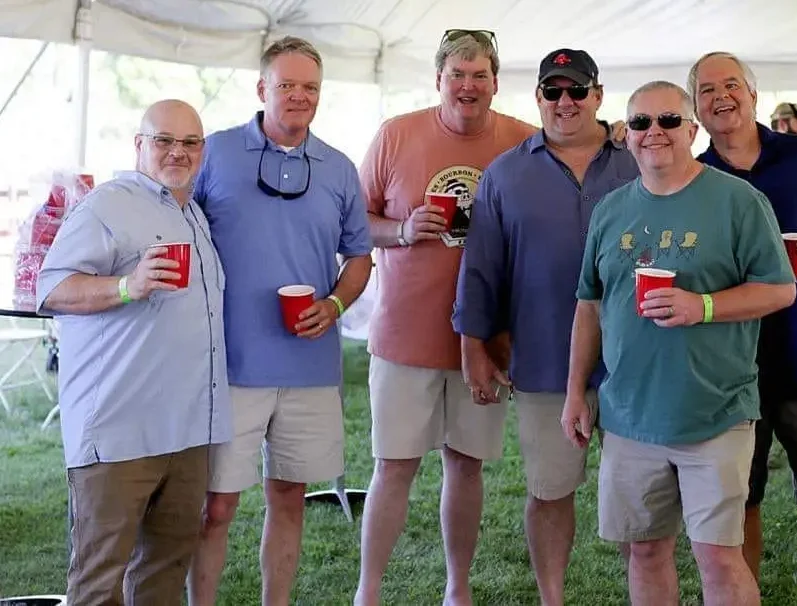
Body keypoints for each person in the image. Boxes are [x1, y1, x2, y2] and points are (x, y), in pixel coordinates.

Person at [563, 79, 796, 606]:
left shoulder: (738, 201)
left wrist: (703, 306)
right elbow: (589, 306)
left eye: (669, 121)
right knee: (644, 551)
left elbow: (780, 289)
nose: (655, 133)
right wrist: (577, 391)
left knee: (717, 556)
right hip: (629, 417)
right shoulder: (611, 210)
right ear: (626, 135)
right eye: (641, 122)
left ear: (692, 129)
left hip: (714, 410)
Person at [187, 37, 374, 606]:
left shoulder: (340, 168)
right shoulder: (213, 153)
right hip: (230, 362)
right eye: (286, 85)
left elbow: (360, 257)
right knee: (216, 504)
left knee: (288, 494)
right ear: (261, 89)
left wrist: (336, 304)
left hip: (309, 367)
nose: (299, 96)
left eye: (310, 87)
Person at [353, 29, 537, 606]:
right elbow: (356, 223)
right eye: (457, 74)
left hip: (483, 339)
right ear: (439, 80)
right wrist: (402, 231)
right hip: (404, 336)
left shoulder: (524, 142)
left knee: (466, 467)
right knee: (394, 467)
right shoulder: (395, 135)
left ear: (495, 82)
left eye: (479, 75)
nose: (468, 86)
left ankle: (458, 588)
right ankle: (369, 591)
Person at [452, 47, 638, 604]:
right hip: (542, 359)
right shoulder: (506, 173)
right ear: (536, 98)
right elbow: (481, 267)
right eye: (552, 92)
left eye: (577, 90)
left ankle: (643, 590)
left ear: (598, 96)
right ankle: (551, 597)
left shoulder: (640, 157)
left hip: (637, 363)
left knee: (638, 496)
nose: (565, 102)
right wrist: (474, 345)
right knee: (550, 490)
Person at [37, 99, 231, 605]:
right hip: (119, 432)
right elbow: (52, 288)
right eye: (164, 140)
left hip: (185, 432)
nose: (177, 152)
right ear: (140, 145)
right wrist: (127, 286)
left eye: (190, 142)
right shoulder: (108, 205)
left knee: (164, 575)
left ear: (202, 150)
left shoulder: (191, 211)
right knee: (100, 584)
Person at [689, 52, 797, 606]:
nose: (722, 96)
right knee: (741, 503)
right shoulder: (693, 175)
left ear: (753, 93)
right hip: (731, 367)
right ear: (695, 107)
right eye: (707, 89)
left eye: (732, 85)